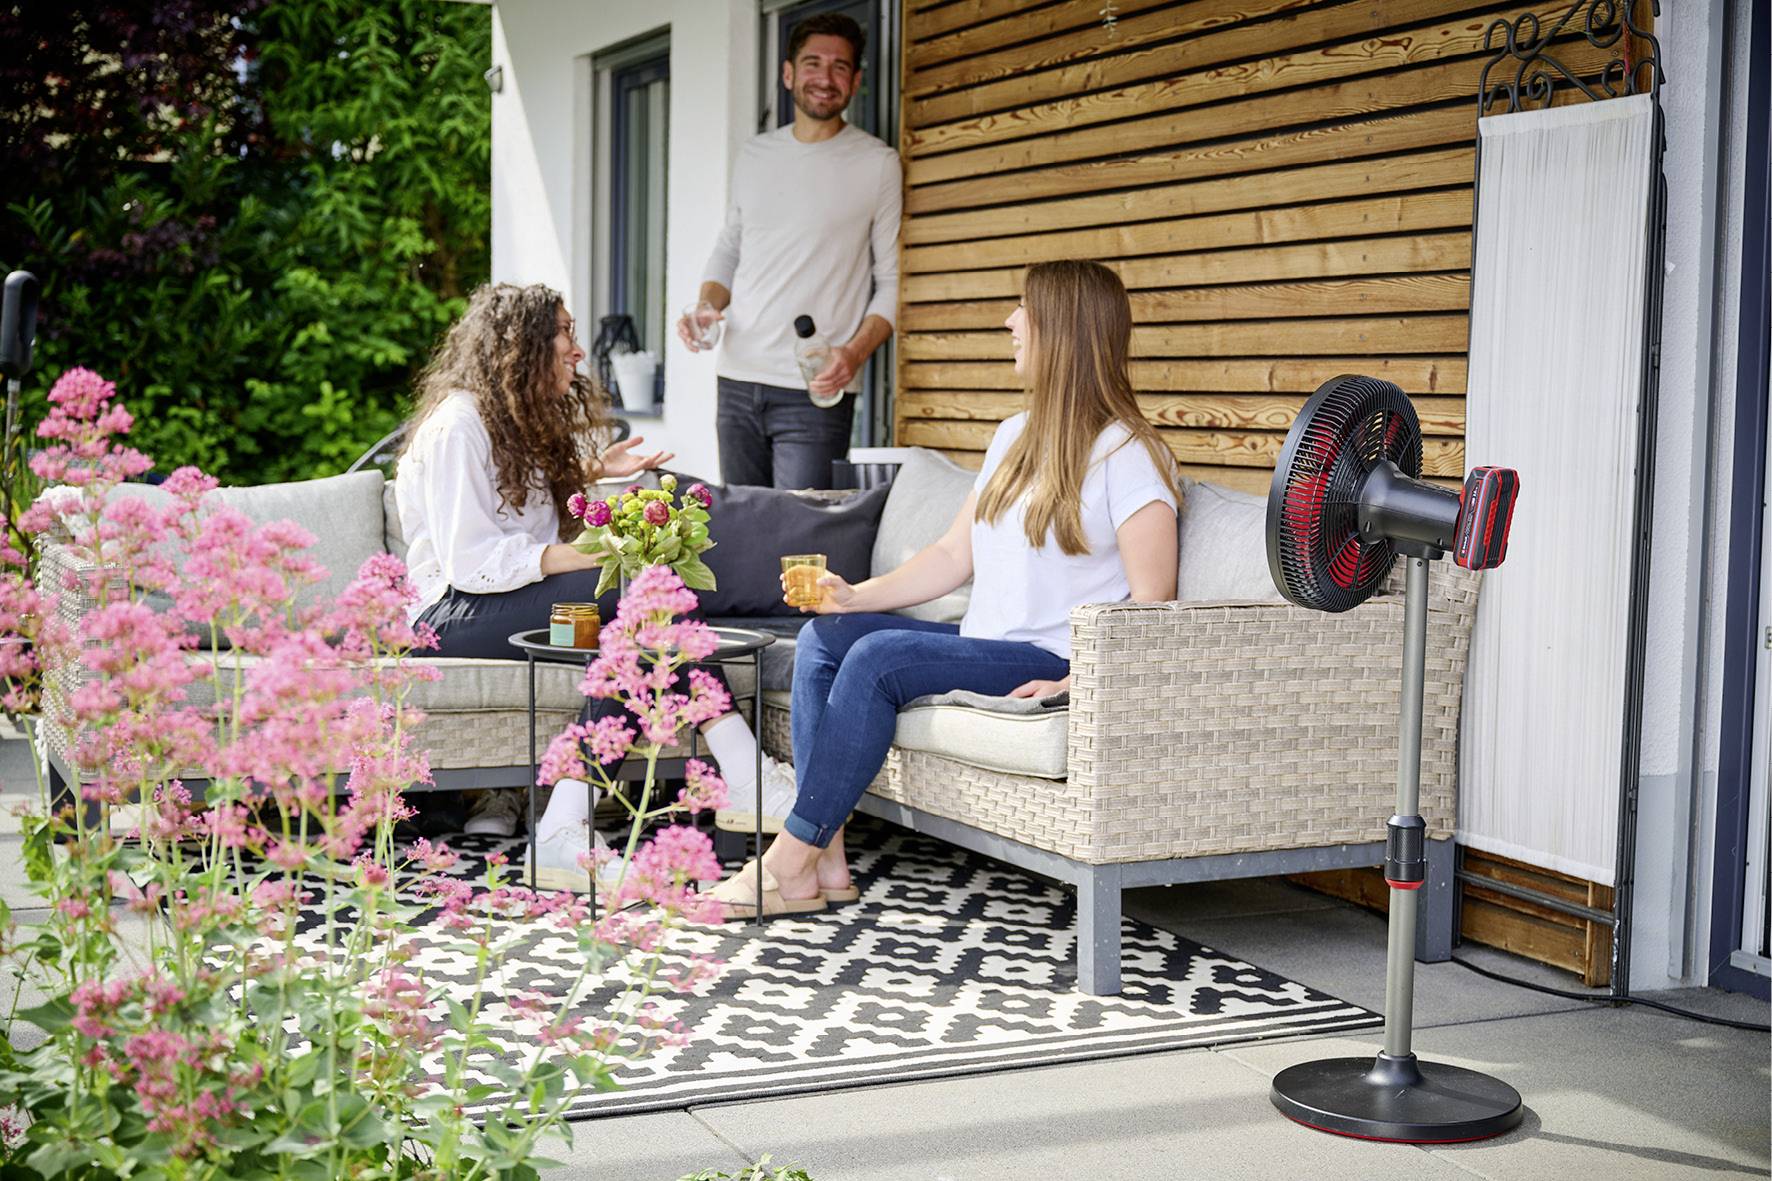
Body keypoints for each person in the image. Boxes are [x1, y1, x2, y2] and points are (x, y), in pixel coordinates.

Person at [705, 260, 1183, 918]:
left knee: (877, 660)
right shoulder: (1016, 437)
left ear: (1064, 333)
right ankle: (829, 858)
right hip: (985, 639)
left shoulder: (1128, 454)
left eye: (1024, 311)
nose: (1010, 322)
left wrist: (1079, 683)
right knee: (824, 637)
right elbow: (953, 553)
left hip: (1045, 655)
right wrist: (853, 597)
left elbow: (1154, 605)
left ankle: (788, 861)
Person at [396, 282, 793, 883]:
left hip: (490, 603)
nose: (577, 351)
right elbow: (472, 563)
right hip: (448, 617)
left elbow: (521, 517)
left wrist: (586, 472)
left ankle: (565, 827)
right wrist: (595, 552)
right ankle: (742, 772)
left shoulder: (511, 423)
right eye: (565, 333)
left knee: (636, 625)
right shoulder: (460, 424)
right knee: (639, 584)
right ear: (524, 346)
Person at [678, 11, 900, 490]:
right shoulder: (755, 155)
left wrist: (854, 355)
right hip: (737, 379)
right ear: (788, 73)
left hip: (816, 389)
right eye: (813, 63)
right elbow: (729, 248)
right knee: (740, 523)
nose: (825, 78)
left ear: (857, 80)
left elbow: (892, 283)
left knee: (801, 530)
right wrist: (705, 306)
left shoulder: (878, 165)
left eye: (840, 67)